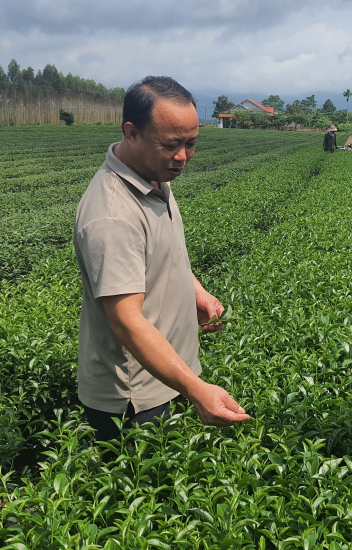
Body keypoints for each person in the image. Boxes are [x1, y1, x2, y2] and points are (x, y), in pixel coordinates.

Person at [75, 76, 251, 441]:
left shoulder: (153, 176)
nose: (183, 156)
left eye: (191, 144)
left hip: (171, 376)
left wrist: (196, 291)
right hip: (136, 398)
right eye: (171, 145)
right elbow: (126, 322)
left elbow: (164, 254)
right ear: (132, 132)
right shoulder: (113, 215)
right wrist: (195, 388)